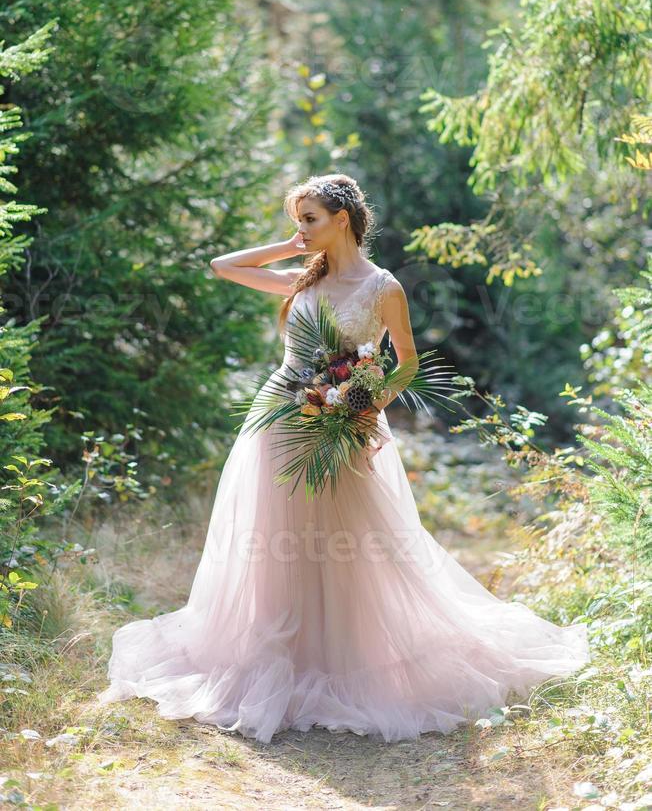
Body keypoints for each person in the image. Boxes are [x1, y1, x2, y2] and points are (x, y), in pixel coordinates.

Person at [97, 172, 590, 743]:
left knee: (351, 539)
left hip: (347, 423)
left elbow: (406, 360)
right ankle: (279, 652)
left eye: (309, 220)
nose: (300, 230)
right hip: (280, 416)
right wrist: (290, 246)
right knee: (275, 533)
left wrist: (363, 402)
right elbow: (224, 267)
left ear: (343, 219)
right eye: (296, 220)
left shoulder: (383, 288)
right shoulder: (301, 278)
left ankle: (347, 659)